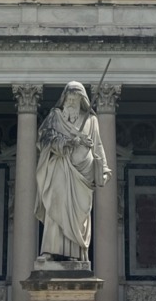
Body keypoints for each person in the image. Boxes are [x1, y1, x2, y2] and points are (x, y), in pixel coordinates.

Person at [35, 81, 111, 262]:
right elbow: (44, 140)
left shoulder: (91, 121)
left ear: (81, 101)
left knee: (79, 216)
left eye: (74, 100)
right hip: (59, 170)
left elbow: (98, 146)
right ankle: (49, 251)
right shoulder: (55, 117)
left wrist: (104, 169)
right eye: (68, 99)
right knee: (55, 208)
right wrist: (67, 142)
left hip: (82, 176)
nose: (70, 103)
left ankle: (76, 254)